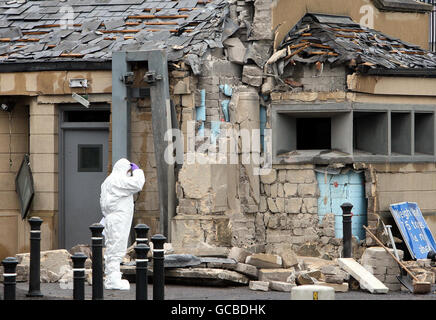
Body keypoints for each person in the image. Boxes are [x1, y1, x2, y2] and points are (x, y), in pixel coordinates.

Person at [99, 158, 145, 290]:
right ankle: (113, 280)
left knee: (113, 247)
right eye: (129, 171)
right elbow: (137, 184)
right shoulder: (118, 180)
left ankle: (112, 278)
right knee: (116, 249)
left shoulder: (108, 181)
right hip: (118, 219)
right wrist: (138, 171)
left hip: (111, 218)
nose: (129, 174)